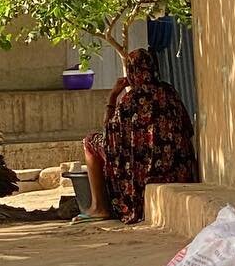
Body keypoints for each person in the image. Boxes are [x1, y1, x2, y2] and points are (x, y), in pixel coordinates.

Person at [82, 48, 198, 223]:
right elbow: (188, 128)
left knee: (90, 141)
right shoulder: (169, 92)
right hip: (176, 168)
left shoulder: (131, 100)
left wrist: (113, 96)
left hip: (141, 172)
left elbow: (109, 132)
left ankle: (99, 207)